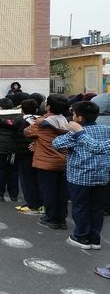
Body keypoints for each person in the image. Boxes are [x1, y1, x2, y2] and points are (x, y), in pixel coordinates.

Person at [52, 101, 110, 250]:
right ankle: (95, 239)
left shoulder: (76, 134)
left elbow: (57, 144)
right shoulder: (106, 129)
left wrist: (74, 131)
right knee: (97, 209)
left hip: (80, 176)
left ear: (79, 118)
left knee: (80, 207)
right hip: (102, 176)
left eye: (73, 114)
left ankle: (81, 236)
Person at [24, 93, 70, 230]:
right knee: (62, 192)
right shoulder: (66, 121)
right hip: (64, 161)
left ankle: (51, 218)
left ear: (48, 106)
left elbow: (27, 132)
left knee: (48, 191)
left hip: (46, 162)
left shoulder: (42, 122)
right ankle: (62, 219)